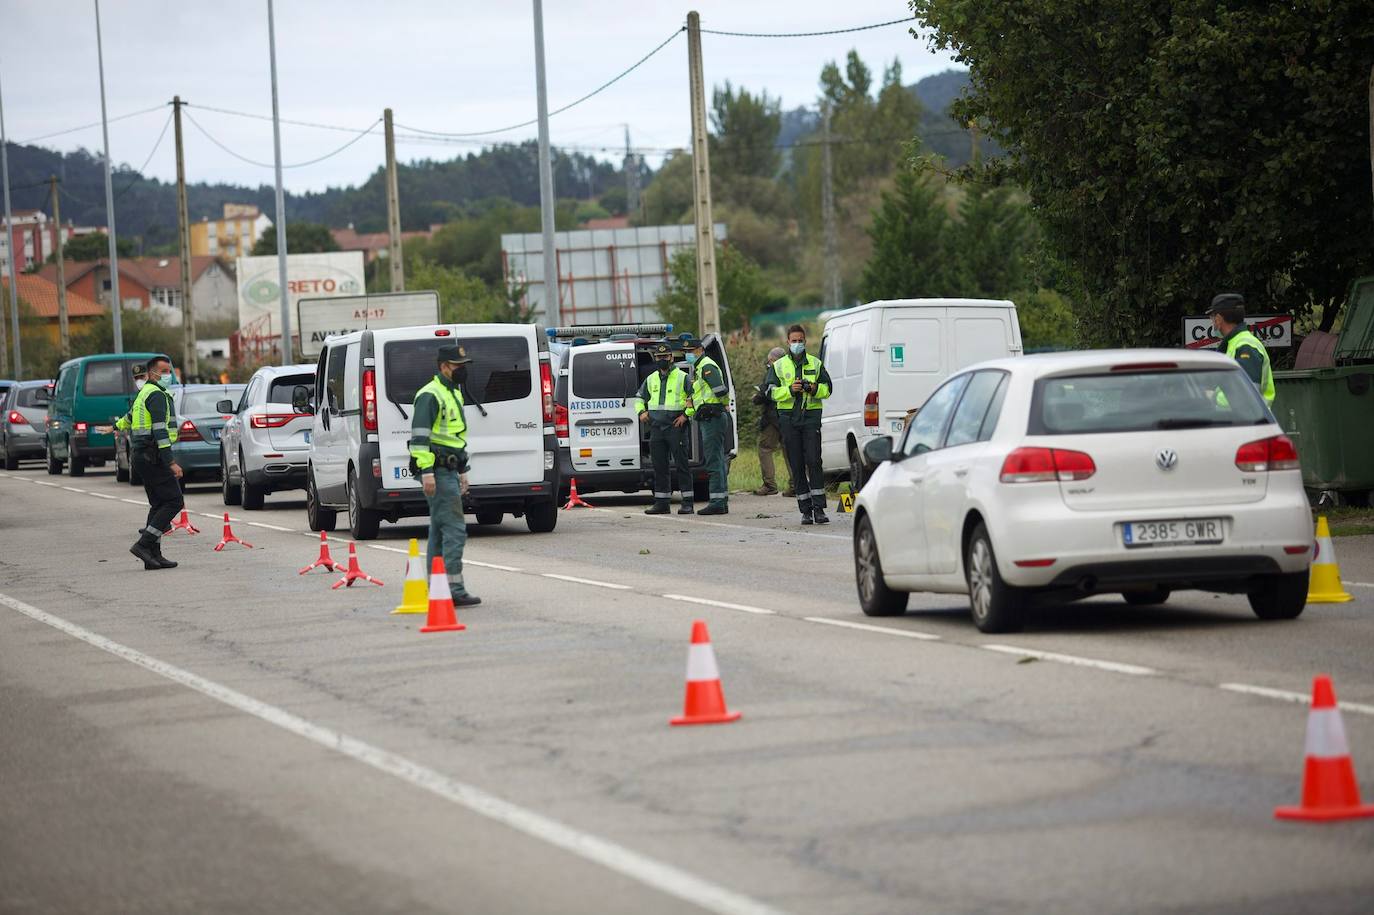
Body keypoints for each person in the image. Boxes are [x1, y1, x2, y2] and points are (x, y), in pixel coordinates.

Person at [409, 344, 481, 607]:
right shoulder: (430, 395)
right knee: (455, 529)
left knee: (439, 529)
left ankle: (437, 586)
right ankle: (454, 588)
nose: (462, 370)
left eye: (464, 365)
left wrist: (463, 470)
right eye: (457, 366)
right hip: (436, 471)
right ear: (443, 367)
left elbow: (454, 437)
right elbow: (419, 440)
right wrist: (426, 472)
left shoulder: (453, 393)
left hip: (449, 469)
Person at [766, 324, 832, 525]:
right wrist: (790, 390)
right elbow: (769, 392)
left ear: (805, 341)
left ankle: (819, 508)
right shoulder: (778, 366)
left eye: (800, 341)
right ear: (787, 342)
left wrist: (813, 388)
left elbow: (828, 389)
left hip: (811, 417)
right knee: (796, 464)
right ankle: (805, 509)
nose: (797, 344)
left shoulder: (816, 363)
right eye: (793, 341)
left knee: (814, 461)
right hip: (788, 420)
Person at [127, 356, 183, 570]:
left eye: (170, 371)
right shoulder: (157, 395)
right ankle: (144, 545)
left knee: (158, 504)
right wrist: (171, 462)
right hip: (153, 455)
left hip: (142, 455)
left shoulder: (144, 393)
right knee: (174, 501)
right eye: (164, 371)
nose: (168, 375)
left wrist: (114, 427)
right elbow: (160, 430)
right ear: (152, 373)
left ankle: (153, 555)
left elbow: (130, 418)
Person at [634, 341, 694, 515]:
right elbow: (638, 397)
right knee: (659, 466)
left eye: (665, 357)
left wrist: (685, 415)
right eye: (659, 357)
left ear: (671, 357)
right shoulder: (651, 378)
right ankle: (662, 502)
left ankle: (688, 502)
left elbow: (695, 398)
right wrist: (641, 412)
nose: (662, 359)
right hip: (657, 428)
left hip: (676, 427)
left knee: (682, 465)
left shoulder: (683, 377)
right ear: (655, 358)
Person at [1208, 292, 1275, 406]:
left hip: (1251, 421)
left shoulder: (1246, 346)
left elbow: (1246, 395)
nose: (1212, 322)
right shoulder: (1235, 343)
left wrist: (1213, 398)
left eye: (1212, 318)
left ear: (1218, 319)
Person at [751, 347, 789, 496]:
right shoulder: (791, 369)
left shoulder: (773, 371)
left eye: (770, 360)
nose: (768, 363)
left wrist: (757, 397)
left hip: (772, 417)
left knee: (765, 448)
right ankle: (795, 484)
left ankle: (769, 484)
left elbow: (767, 393)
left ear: (773, 360)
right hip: (788, 416)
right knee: (789, 450)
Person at [114, 364, 148, 435]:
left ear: (148, 375)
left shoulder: (153, 393)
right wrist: (114, 427)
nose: (139, 380)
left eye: (142, 377)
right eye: (136, 378)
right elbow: (130, 416)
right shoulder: (139, 395)